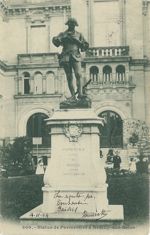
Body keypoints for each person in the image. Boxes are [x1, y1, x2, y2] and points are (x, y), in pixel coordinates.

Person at [52, 17, 89, 99]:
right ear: (67, 24)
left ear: (75, 25)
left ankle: (80, 93)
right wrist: (59, 39)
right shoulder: (63, 34)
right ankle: (73, 96)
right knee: (69, 77)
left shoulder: (79, 34)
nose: (72, 25)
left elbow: (85, 46)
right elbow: (56, 42)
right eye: (70, 24)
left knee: (78, 74)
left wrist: (77, 41)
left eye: (73, 24)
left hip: (76, 56)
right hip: (66, 56)